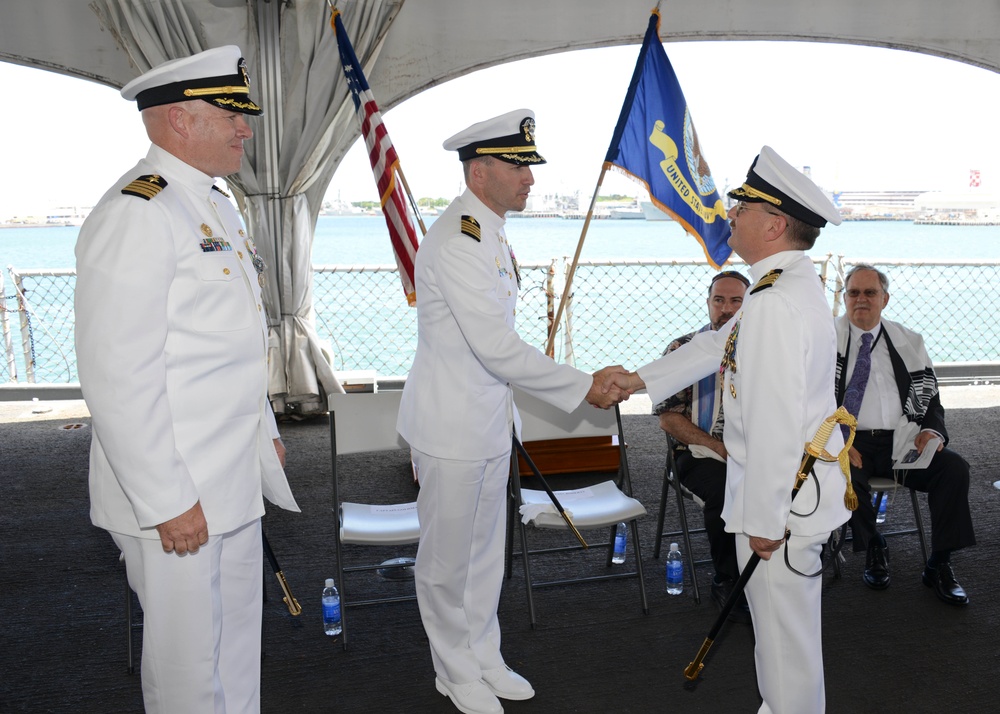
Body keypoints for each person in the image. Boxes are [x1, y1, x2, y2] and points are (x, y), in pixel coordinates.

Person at [74, 46, 299, 713]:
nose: (246, 130)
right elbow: (117, 374)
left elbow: (230, 339)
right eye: (232, 116)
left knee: (235, 647)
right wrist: (166, 499)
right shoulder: (137, 211)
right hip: (173, 487)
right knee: (186, 672)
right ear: (178, 120)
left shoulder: (213, 205)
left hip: (228, 474)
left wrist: (263, 433)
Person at [396, 109, 628, 714]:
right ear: (480, 172)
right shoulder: (459, 238)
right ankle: (453, 670)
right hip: (450, 428)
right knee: (446, 560)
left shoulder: (489, 229)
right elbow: (496, 347)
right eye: (517, 165)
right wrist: (585, 387)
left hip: (488, 422)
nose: (529, 177)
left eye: (528, 165)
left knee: (484, 553)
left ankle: (483, 654)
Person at [614, 146, 851, 714]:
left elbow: (772, 421)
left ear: (773, 224)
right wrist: (635, 379)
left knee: (784, 641)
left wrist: (766, 521)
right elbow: (715, 345)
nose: (731, 213)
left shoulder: (771, 301)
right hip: (798, 489)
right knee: (782, 636)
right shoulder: (784, 286)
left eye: (742, 205)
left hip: (783, 502)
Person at [836, 263, 974, 605]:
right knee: (842, 472)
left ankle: (940, 563)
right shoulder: (823, 340)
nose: (861, 300)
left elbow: (932, 399)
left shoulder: (909, 341)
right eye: (854, 293)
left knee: (954, 470)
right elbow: (805, 401)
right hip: (850, 438)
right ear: (844, 298)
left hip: (904, 438)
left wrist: (930, 431)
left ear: (885, 298)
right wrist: (837, 440)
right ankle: (874, 547)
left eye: (870, 293)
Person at [653, 270, 751, 622]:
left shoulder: (764, 350)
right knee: (727, 490)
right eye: (719, 300)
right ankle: (729, 577)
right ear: (708, 304)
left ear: (750, 304)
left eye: (736, 300)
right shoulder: (683, 350)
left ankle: (773, 569)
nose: (726, 309)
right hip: (697, 453)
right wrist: (718, 447)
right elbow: (667, 418)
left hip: (755, 448)